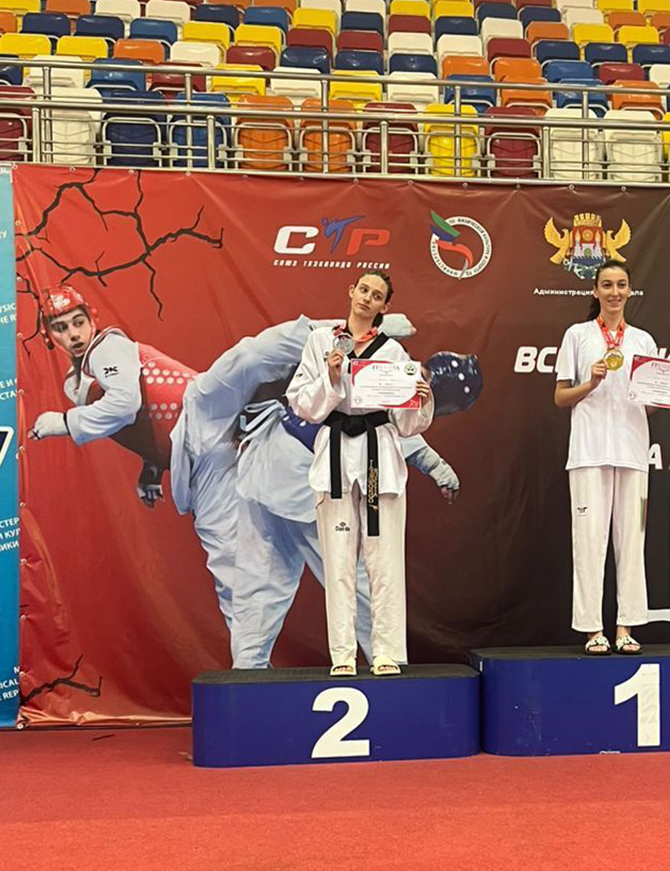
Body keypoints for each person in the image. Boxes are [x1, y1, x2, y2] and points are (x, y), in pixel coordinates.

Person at [29, 285, 315, 627]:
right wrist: (152, 466)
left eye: (78, 322)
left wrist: (64, 422)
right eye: (61, 328)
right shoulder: (74, 383)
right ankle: (249, 655)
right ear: (48, 337)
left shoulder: (106, 347)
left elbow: (124, 404)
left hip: (201, 409)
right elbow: (136, 420)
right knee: (228, 562)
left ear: (92, 319)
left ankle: (343, 333)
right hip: (194, 458)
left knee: (249, 356)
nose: (74, 335)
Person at [231, 346, 481, 669]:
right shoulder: (394, 371)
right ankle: (388, 663)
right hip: (305, 478)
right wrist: (437, 467)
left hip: (264, 470)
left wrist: (436, 466)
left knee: (262, 586)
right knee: (362, 579)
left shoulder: (380, 359)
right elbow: (379, 424)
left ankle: (247, 674)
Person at [286, 270, 433, 677]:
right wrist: (331, 377)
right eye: (363, 290)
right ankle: (343, 654)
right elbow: (301, 403)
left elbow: (407, 424)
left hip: (377, 457)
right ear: (351, 292)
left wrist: (421, 399)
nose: (368, 298)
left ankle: (386, 652)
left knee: (384, 562)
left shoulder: (394, 352)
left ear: (385, 307)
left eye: (377, 295)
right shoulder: (321, 341)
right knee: (337, 563)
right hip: (334, 455)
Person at [554, 259, 670, 655]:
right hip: (588, 452)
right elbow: (560, 397)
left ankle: (625, 627)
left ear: (630, 291)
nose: (614, 292)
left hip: (633, 451)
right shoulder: (578, 335)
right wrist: (591, 382)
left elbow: (648, 403)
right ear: (595, 291)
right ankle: (592, 629)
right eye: (607, 285)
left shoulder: (643, 341)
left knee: (632, 542)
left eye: (621, 285)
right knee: (589, 542)